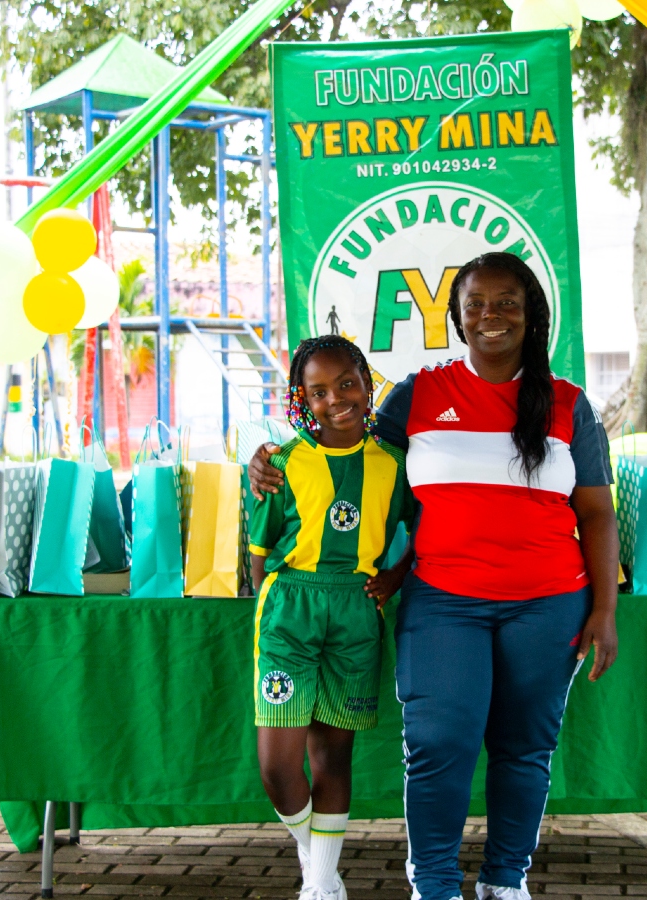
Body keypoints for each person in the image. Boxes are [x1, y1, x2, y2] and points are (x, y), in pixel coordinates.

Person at [251, 252, 619, 900]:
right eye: (476, 303)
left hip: (550, 604)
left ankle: (506, 881)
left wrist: (604, 611)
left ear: (532, 313)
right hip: (444, 603)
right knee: (438, 743)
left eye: (507, 302)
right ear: (456, 316)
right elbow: (341, 448)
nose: (491, 316)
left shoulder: (568, 405)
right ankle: (436, 885)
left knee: (525, 748)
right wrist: (266, 465)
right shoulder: (419, 394)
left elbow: (595, 513)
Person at [248, 334, 415, 900]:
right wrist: (268, 604)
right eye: (318, 390)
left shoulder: (394, 465)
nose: (336, 398)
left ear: (369, 386)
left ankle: (321, 885)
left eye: (347, 383)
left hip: (355, 609)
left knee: (332, 755)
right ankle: (314, 855)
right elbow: (259, 550)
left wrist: (393, 577)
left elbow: (419, 531)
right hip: (291, 609)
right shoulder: (282, 461)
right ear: (301, 398)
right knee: (277, 766)